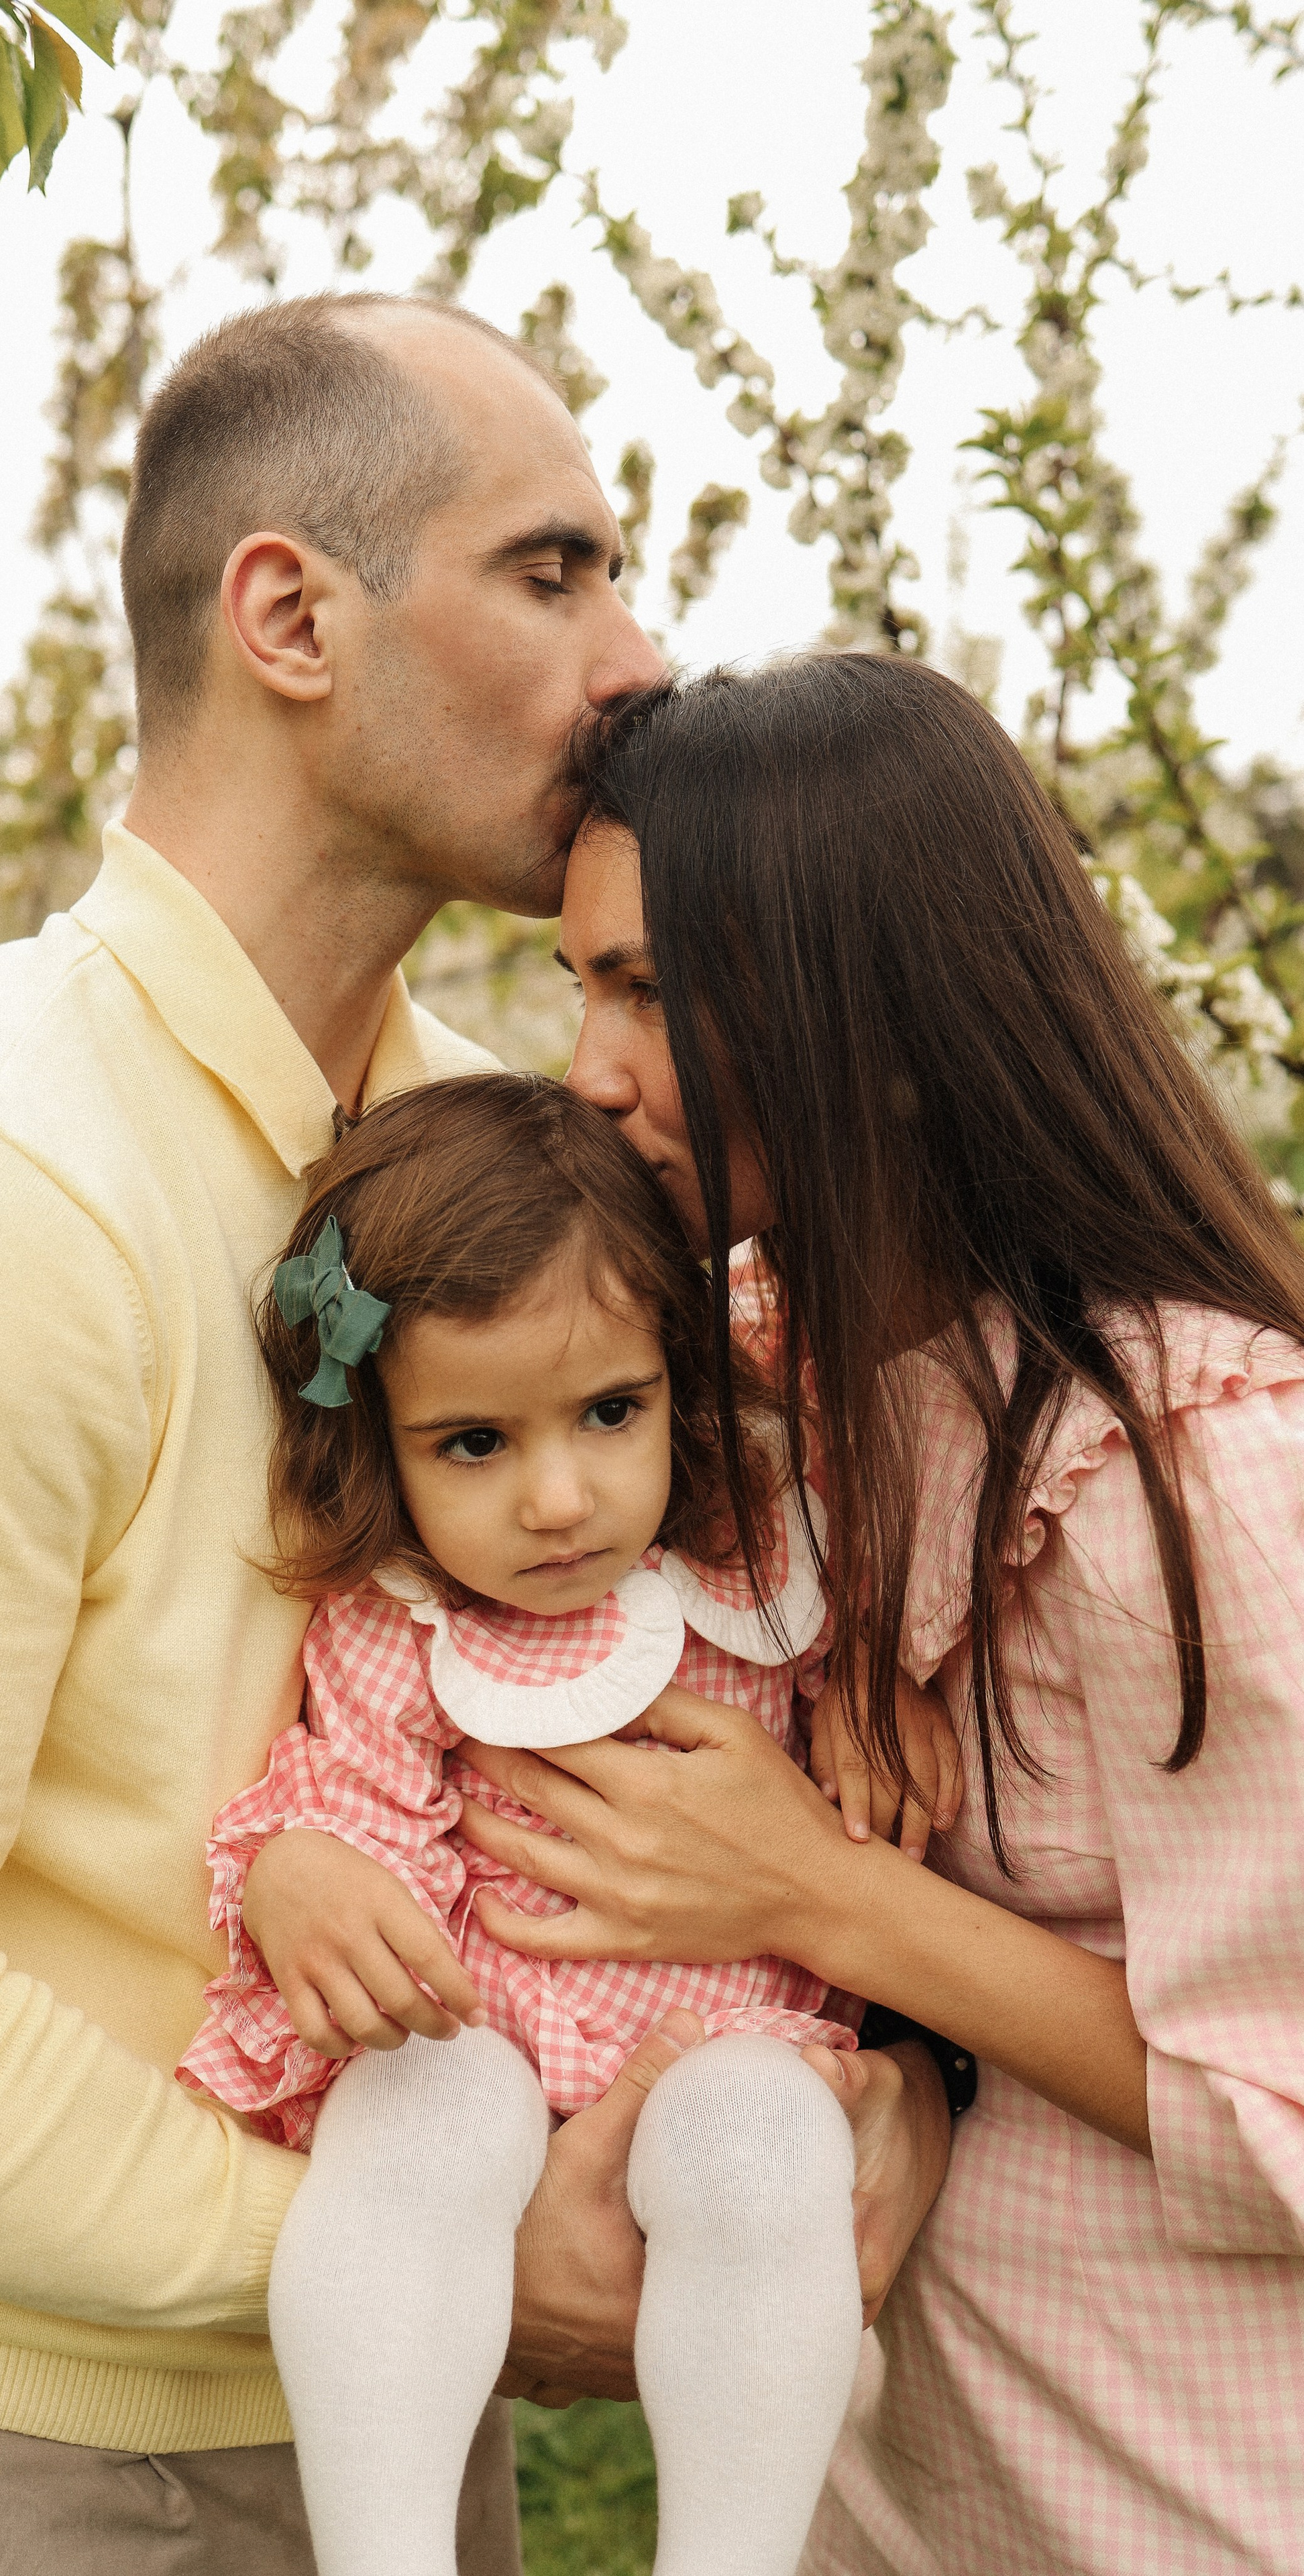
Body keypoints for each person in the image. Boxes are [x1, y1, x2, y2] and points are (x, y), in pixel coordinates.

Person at [0, 291, 690, 2573]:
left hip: (389, 2412)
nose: (635, 658)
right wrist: (436, 2272)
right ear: (291, 617)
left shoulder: (462, 1165)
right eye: (554, 571)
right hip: (35, 2464)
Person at [463, 653, 1304, 2573]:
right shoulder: (771, 1396)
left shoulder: (1197, 1469)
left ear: (885, 1013)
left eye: (650, 992)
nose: (590, 1069)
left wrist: (821, 1896)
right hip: (915, 2506)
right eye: (583, 984)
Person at [176, 1073, 961, 2576]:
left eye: (611, 1413)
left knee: (759, 2143)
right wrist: (298, 1874)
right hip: (477, 2021)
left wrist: (867, 1681)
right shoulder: (400, 1627)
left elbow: (860, 1667)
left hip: (711, 2040)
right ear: (384, 1448)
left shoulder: (763, 1570)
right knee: (412, 2110)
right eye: (473, 1443)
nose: (558, 1498)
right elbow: (354, 1804)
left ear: (677, 1374)